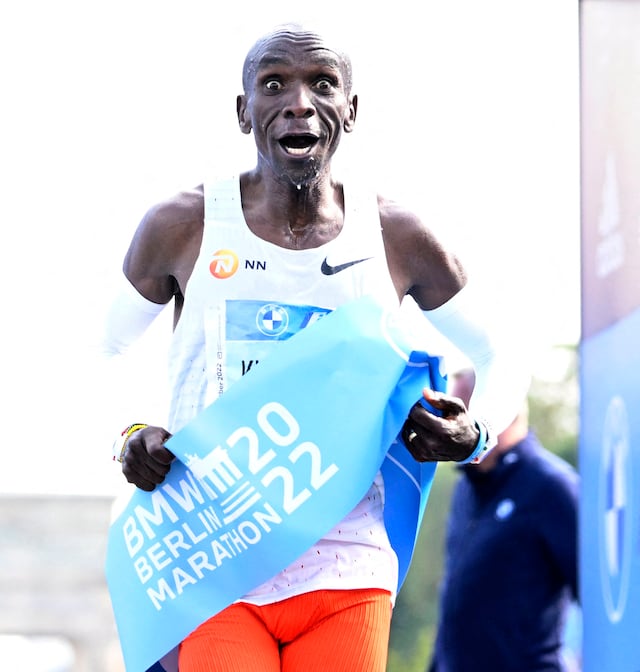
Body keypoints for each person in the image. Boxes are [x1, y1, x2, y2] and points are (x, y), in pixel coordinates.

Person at [100, 22, 530, 672]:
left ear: (350, 112)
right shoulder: (183, 226)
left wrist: (475, 431)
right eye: (275, 84)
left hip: (347, 561)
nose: (299, 101)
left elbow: (501, 349)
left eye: (322, 84)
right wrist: (130, 430)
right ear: (245, 111)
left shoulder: (396, 234)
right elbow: (105, 350)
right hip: (217, 553)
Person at [428, 368, 580, 672]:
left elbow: (603, 602)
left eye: (461, 413)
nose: (452, 426)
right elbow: (457, 602)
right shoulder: (467, 486)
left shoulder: (552, 487)